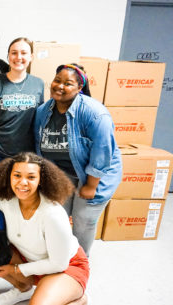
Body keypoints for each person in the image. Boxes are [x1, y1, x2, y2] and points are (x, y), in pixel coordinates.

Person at [0, 152, 90, 305]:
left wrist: (16, 269)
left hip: (66, 267)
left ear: (41, 180)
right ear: (8, 176)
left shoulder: (52, 213)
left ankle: (81, 301)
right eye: (17, 175)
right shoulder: (4, 202)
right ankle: (24, 289)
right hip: (31, 259)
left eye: (31, 177)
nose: (22, 182)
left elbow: (58, 263)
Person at [34, 64, 122, 256]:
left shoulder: (94, 113)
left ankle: (79, 262)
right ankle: (60, 256)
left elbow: (103, 151)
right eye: (57, 80)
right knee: (58, 217)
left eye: (68, 83)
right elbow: (38, 144)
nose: (60, 86)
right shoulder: (43, 111)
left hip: (93, 174)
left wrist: (91, 185)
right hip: (62, 174)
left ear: (79, 88)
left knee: (83, 220)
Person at [0, 37, 44, 173]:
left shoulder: (38, 84)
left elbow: (40, 120)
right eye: (14, 53)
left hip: (28, 156)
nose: (18, 57)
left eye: (23, 53)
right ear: (8, 56)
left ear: (31, 57)